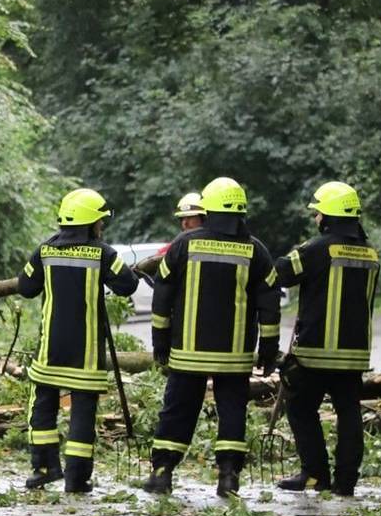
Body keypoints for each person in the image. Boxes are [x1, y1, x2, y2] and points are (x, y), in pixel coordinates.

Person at [142, 176, 282, 498]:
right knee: (232, 411)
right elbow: (270, 304)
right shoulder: (256, 250)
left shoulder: (184, 244)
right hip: (234, 357)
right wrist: (269, 349)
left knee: (177, 410)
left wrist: (160, 340)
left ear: (208, 208)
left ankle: (162, 472)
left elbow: (162, 294)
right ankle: (229, 477)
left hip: (188, 353)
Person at [18, 188, 140, 493]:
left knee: (42, 407)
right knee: (83, 414)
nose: (102, 226)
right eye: (100, 221)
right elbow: (127, 285)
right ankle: (76, 478)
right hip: (86, 356)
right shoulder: (103, 253)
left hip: (50, 351)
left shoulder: (44, 251)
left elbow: (25, 287)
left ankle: (43, 468)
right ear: (90, 223)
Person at [267, 182, 379, 496]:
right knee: (349, 413)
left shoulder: (318, 248)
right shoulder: (370, 252)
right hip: (354, 353)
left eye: (318, 213)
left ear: (329, 215)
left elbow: (281, 273)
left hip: (317, 351)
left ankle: (315, 473)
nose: (315, 218)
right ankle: (346, 482)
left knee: (301, 407)